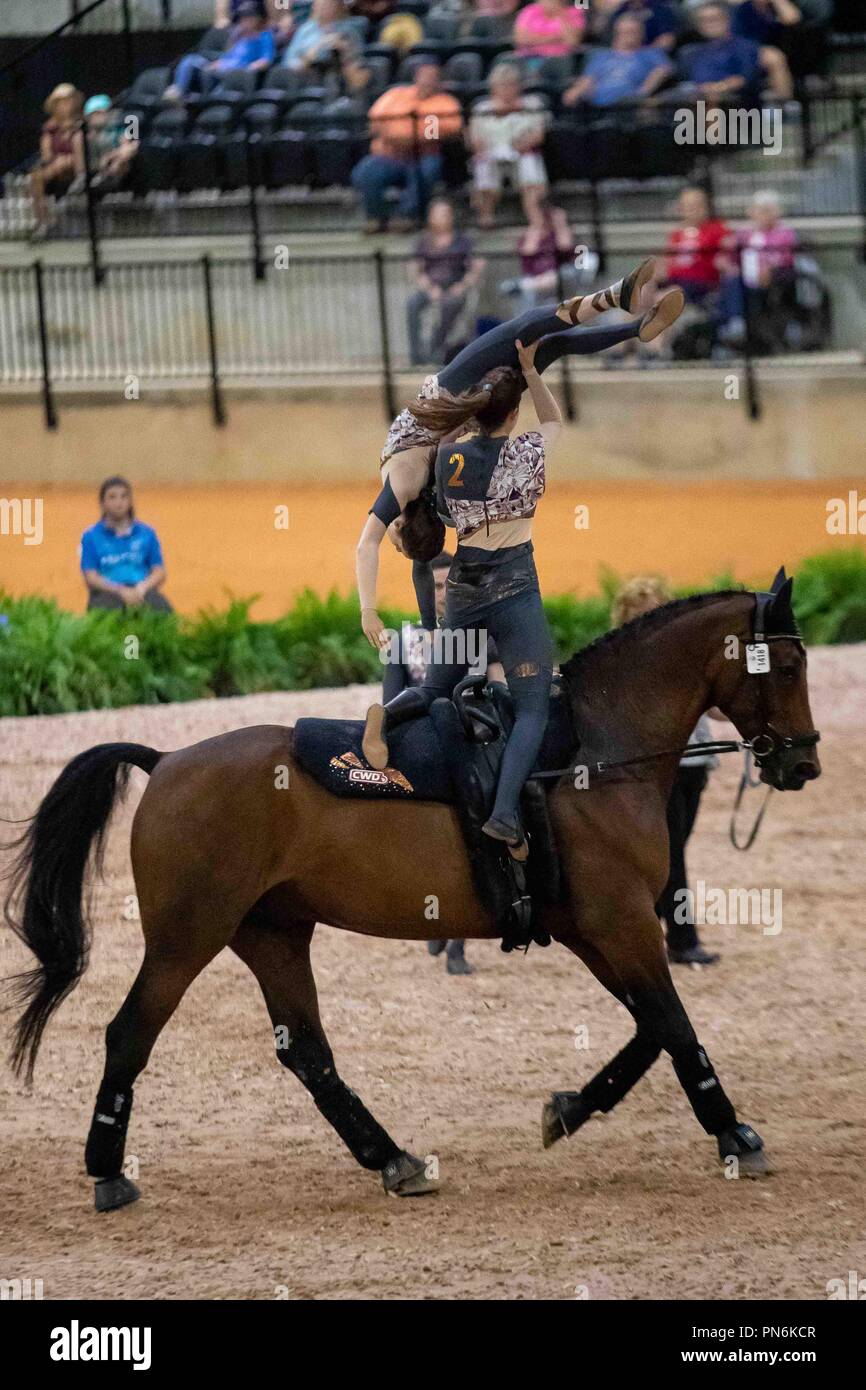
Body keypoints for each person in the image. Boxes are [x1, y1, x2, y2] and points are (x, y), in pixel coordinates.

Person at [356, 260, 683, 643]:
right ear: (400, 525)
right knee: (523, 328)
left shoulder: (434, 505)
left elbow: (422, 570)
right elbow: (367, 546)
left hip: (471, 410)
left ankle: (636, 330)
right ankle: (615, 295)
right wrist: (369, 613)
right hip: (455, 392)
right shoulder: (403, 484)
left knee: (547, 350)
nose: (397, 550)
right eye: (400, 545)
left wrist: (431, 629)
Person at [612, 577, 720, 966]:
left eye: (657, 611)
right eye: (642, 614)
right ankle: (682, 939)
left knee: (675, 850)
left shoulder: (687, 655)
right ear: (627, 618)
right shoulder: (625, 660)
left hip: (697, 763)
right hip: (659, 770)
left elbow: (718, 708)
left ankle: (638, 930)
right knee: (671, 854)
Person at [351, 61, 463, 233]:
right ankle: (376, 217)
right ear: (416, 77)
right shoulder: (396, 95)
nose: (426, 81)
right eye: (423, 76)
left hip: (422, 156)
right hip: (390, 156)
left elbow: (430, 136)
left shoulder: (444, 103)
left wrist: (402, 138)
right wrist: (392, 137)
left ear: (439, 82)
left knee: (428, 169)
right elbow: (375, 121)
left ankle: (406, 217)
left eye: (431, 78)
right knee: (366, 171)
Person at [469, 63, 549, 228]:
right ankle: (486, 216)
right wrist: (482, 149)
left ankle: (536, 219)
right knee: (483, 165)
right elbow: (474, 138)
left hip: (522, 151)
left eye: (510, 84)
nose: (506, 89)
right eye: (502, 85)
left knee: (530, 166)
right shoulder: (482, 109)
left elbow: (538, 135)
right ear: (493, 88)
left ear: (518, 86)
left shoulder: (532, 105)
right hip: (491, 153)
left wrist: (522, 144)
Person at [407, 200, 485, 366]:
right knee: (412, 303)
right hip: (430, 288)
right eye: (440, 214)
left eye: (447, 214)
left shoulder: (463, 241)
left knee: (450, 303)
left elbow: (476, 268)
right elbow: (416, 270)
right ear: (431, 218)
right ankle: (416, 357)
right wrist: (430, 288)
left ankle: (436, 348)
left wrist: (462, 286)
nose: (445, 217)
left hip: (454, 287)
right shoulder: (424, 241)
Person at [717, 189, 798, 343]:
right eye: (758, 210)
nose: (762, 215)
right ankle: (736, 323)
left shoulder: (784, 233)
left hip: (775, 276)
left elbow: (786, 258)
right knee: (731, 278)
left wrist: (769, 267)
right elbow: (727, 255)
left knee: (765, 279)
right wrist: (726, 262)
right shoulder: (744, 233)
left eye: (766, 211)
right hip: (746, 276)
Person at [80, 478, 173, 613]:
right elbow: (91, 577)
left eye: (124, 496)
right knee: (103, 617)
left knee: (163, 612)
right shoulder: (91, 536)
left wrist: (141, 588)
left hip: (142, 591)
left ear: (130, 502)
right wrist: (120, 590)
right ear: (102, 503)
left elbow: (159, 572)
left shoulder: (147, 533)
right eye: (112, 497)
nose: (119, 502)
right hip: (107, 593)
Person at [679, 1, 792, 103]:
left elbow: (746, 78)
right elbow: (697, 80)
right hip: (701, 101)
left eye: (714, 19)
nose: (710, 24)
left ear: (727, 20)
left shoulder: (745, 47)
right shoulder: (692, 52)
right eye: (703, 20)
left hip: (740, 104)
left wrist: (720, 87)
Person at [165, 2, 276, 101]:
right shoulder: (239, 36)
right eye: (243, 17)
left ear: (257, 18)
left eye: (249, 17)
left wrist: (247, 69)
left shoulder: (264, 35)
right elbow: (228, 56)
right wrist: (218, 63)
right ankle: (178, 92)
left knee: (214, 98)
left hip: (235, 75)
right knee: (190, 60)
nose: (245, 20)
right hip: (219, 70)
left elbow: (266, 59)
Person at [562, 13, 674, 108]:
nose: (628, 36)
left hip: (630, 103)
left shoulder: (651, 53)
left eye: (632, 32)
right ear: (616, 33)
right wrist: (576, 91)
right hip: (597, 105)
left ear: (641, 33)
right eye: (624, 32)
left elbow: (663, 70)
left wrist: (644, 92)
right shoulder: (601, 56)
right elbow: (589, 78)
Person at [499, 199, 585, 312]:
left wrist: (560, 224)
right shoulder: (529, 235)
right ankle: (530, 325)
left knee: (562, 274)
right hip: (536, 279)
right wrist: (536, 227)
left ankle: (523, 286)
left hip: (560, 277)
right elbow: (527, 252)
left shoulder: (559, 233)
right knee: (529, 292)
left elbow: (565, 247)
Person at [30, 85, 84, 240]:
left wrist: (68, 160)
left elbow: (87, 147)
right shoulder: (50, 129)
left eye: (68, 100)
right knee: (36, 176)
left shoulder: (81, 123)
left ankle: (81, 179)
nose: (65, 104)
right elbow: (47, 155)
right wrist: (56, 161)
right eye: (60, 101)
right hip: (57, 167)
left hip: (79, 165)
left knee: (77, 140)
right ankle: (43, 222)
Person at [283, 0, 361, 72]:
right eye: (319, 4)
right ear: (314, 6)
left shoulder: (349, 27)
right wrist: (307, 58)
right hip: (306, 74)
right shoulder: (305, 29)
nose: (322, 7)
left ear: (337, 6)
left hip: (336, 73)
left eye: (328, 4)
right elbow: (288, 61)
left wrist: (344, 48)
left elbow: (358, 60)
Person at [82, 95, 138, 190]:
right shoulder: (86, 135)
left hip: (116, 165)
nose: (96, 118)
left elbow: (127, 146)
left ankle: (108, 180)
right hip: (95, 166)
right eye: (93, 114)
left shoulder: (119, 127)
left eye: (99, 113)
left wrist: (109, 157)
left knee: (122, 159)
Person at [513, 0, 587, 64]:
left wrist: (560, 13)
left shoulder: (575, 12)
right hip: (529, 58)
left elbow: (573, 41)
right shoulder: (529, 11)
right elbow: (520, 39)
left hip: (561, 59)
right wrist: (555, 37)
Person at [604, 0, 682, 50]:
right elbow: (610, 39)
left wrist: (642, 54)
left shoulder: (660, 9)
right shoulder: (621, 10)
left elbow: (667, 40)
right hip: (620, 58)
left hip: (649, 56)